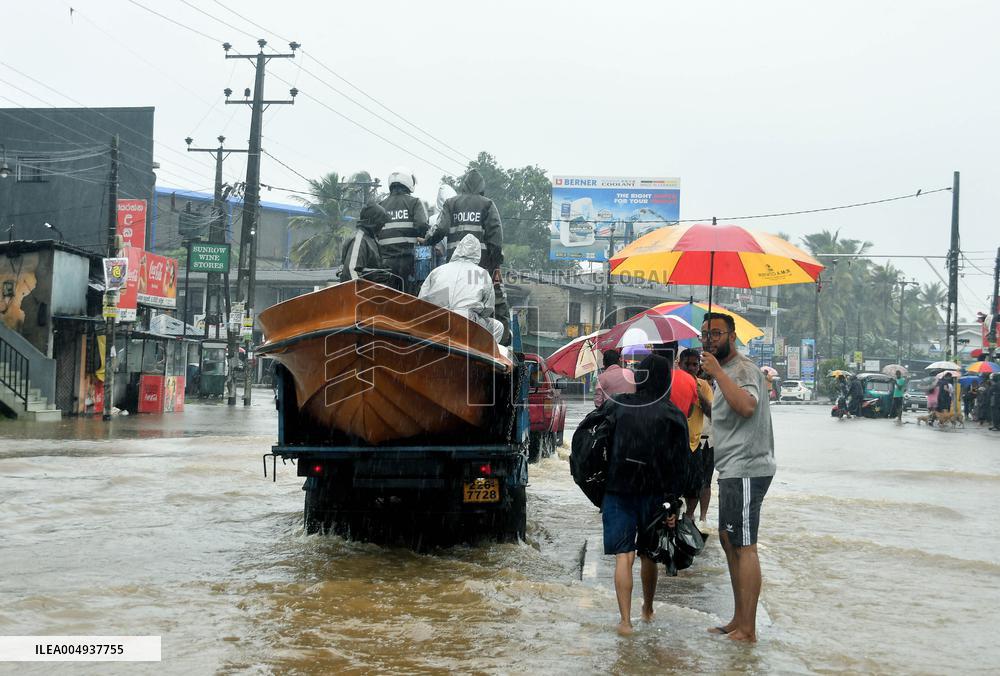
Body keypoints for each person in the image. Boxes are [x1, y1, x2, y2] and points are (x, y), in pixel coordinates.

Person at [699, 312, 775, 643]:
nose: (709, 339)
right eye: (705, 334)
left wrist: (716, 373)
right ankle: (738, 618)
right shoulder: (725, 372)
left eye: (716, 333)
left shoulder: (741, 370)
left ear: (732, 337)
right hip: (732, 467)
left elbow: (746, 407)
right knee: (729, 540)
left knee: (744, 545)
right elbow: (727, 415)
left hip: (747, 467)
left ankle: (748, 629)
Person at [600, 354, 689, 635]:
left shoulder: (618, 406)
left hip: (617, 490)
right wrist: (673, 504)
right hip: (655, 495)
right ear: (665, 381)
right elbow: (681, 465)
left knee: (623, 556)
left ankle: (625, 621)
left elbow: (594, 441)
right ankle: (647, 609)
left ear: (639, 377)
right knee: (649, 554)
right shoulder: (673, 414)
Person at [424, 169, 510, 343]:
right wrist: (495, 264)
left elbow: (439, 229)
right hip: (483, 265)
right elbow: (496, 238)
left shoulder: (451, 203)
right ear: (481, 188)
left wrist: (427, 240)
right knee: (497, 299)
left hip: (453, 265)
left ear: (463, 186)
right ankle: (503, 343)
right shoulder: (487, 204)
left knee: (448, 298)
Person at [417, 234, 503, 342]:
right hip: (465, 322)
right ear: (477, 253)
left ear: (457, 250)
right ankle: (477, 351)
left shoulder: (437, 271)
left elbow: (420, 302)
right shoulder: (482, 274)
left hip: (436, 320)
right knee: (498, 327)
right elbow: (488, 309)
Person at [378, 167, 429, 294]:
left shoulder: (380, 205)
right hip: (408, 261)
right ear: (408, 183)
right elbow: (422, 224)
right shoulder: (415, 202)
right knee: (408, 298)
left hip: (385, 263)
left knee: (387, 297)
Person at [679, 348, 714, 524]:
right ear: (680, 364)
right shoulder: (672, 383)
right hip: (675, 444)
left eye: (695, 364)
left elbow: (711, 413)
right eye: (688, 364)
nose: (692, 368)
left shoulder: (704, 386)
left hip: (696, 443)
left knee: (697, 485)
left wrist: (696, 391)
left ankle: (692, 517)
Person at [339, 204, 389, 283]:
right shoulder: (359, 239)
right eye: (381, 222)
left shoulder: (371, 239)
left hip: (372, 289)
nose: (383, 225)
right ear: (372, 221)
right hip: (361, 290)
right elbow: (350, 273)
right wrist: (371, 276)